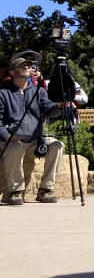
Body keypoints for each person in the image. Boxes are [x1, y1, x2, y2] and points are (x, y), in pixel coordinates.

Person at [0, 55, 64, 204]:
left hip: (34, 142)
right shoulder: (3, 93)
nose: (27, 67)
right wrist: (7, 136)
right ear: (11, 72)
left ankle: (45, 190)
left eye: (28, 65)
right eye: (22, 65)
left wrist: (59, 106)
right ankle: (15, 192)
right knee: (14, 146)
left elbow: (49, 109)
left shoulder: (38, 91)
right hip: (9, 142)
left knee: (57, 145)